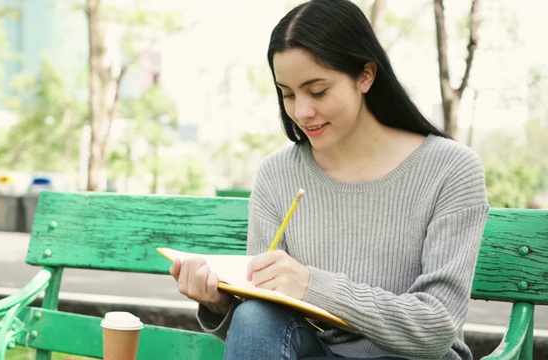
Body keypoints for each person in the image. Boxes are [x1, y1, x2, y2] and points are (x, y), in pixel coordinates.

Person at [168, 0, 489, 358]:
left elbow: (436, 328)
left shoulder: (450, 169)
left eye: (317, 91)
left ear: (365, 75)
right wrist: (219, 302)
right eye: (287, 94)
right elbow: (263, 325)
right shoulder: (278, 174)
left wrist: (313, 285)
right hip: (314, 351)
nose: (301, 112)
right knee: (255, 316)